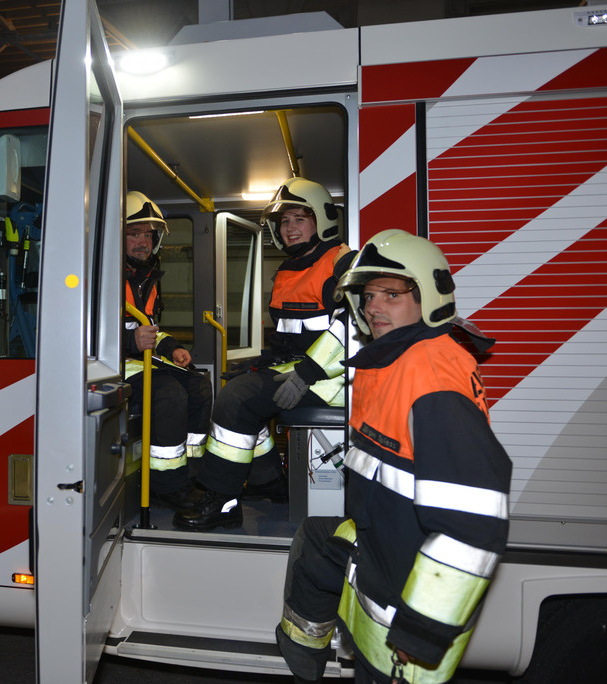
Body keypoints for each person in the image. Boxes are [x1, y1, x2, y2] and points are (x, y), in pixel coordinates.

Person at [275, 229, 512, 684]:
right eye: (367, 296)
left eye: (391, 295)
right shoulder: (398, 359)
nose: (373, 307)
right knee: (317, 539)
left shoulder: (429, 376)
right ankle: (302, 653)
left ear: (429, 298)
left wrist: (421, 631)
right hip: (385, 556)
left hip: (406, 633)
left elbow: (473, 525)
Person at [173, 178, 355, 531]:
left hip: (332, 380)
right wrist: (260, 363)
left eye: (300, 219)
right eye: (284, 221)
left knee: (237, 398)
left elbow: (350, 327)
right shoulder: (291, 269)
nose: (290, 228)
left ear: (322, 220)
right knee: (243, 386)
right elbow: (293, 337)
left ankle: (222, 501)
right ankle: (268, 480)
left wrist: (306, 374)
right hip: (303, 370)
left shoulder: (341, 263)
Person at [123, 191, 213, 511]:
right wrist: (130, 343)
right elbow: (81, 333)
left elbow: (150, 329)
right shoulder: (101, 277)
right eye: (134, 234)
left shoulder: (146, 278)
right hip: (110, 365)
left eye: (148, 235)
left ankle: (192, 475)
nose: (143, 242)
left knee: (199, 385)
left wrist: (173, 348)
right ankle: (166, 485)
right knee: (169, 393)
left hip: (141, 361)